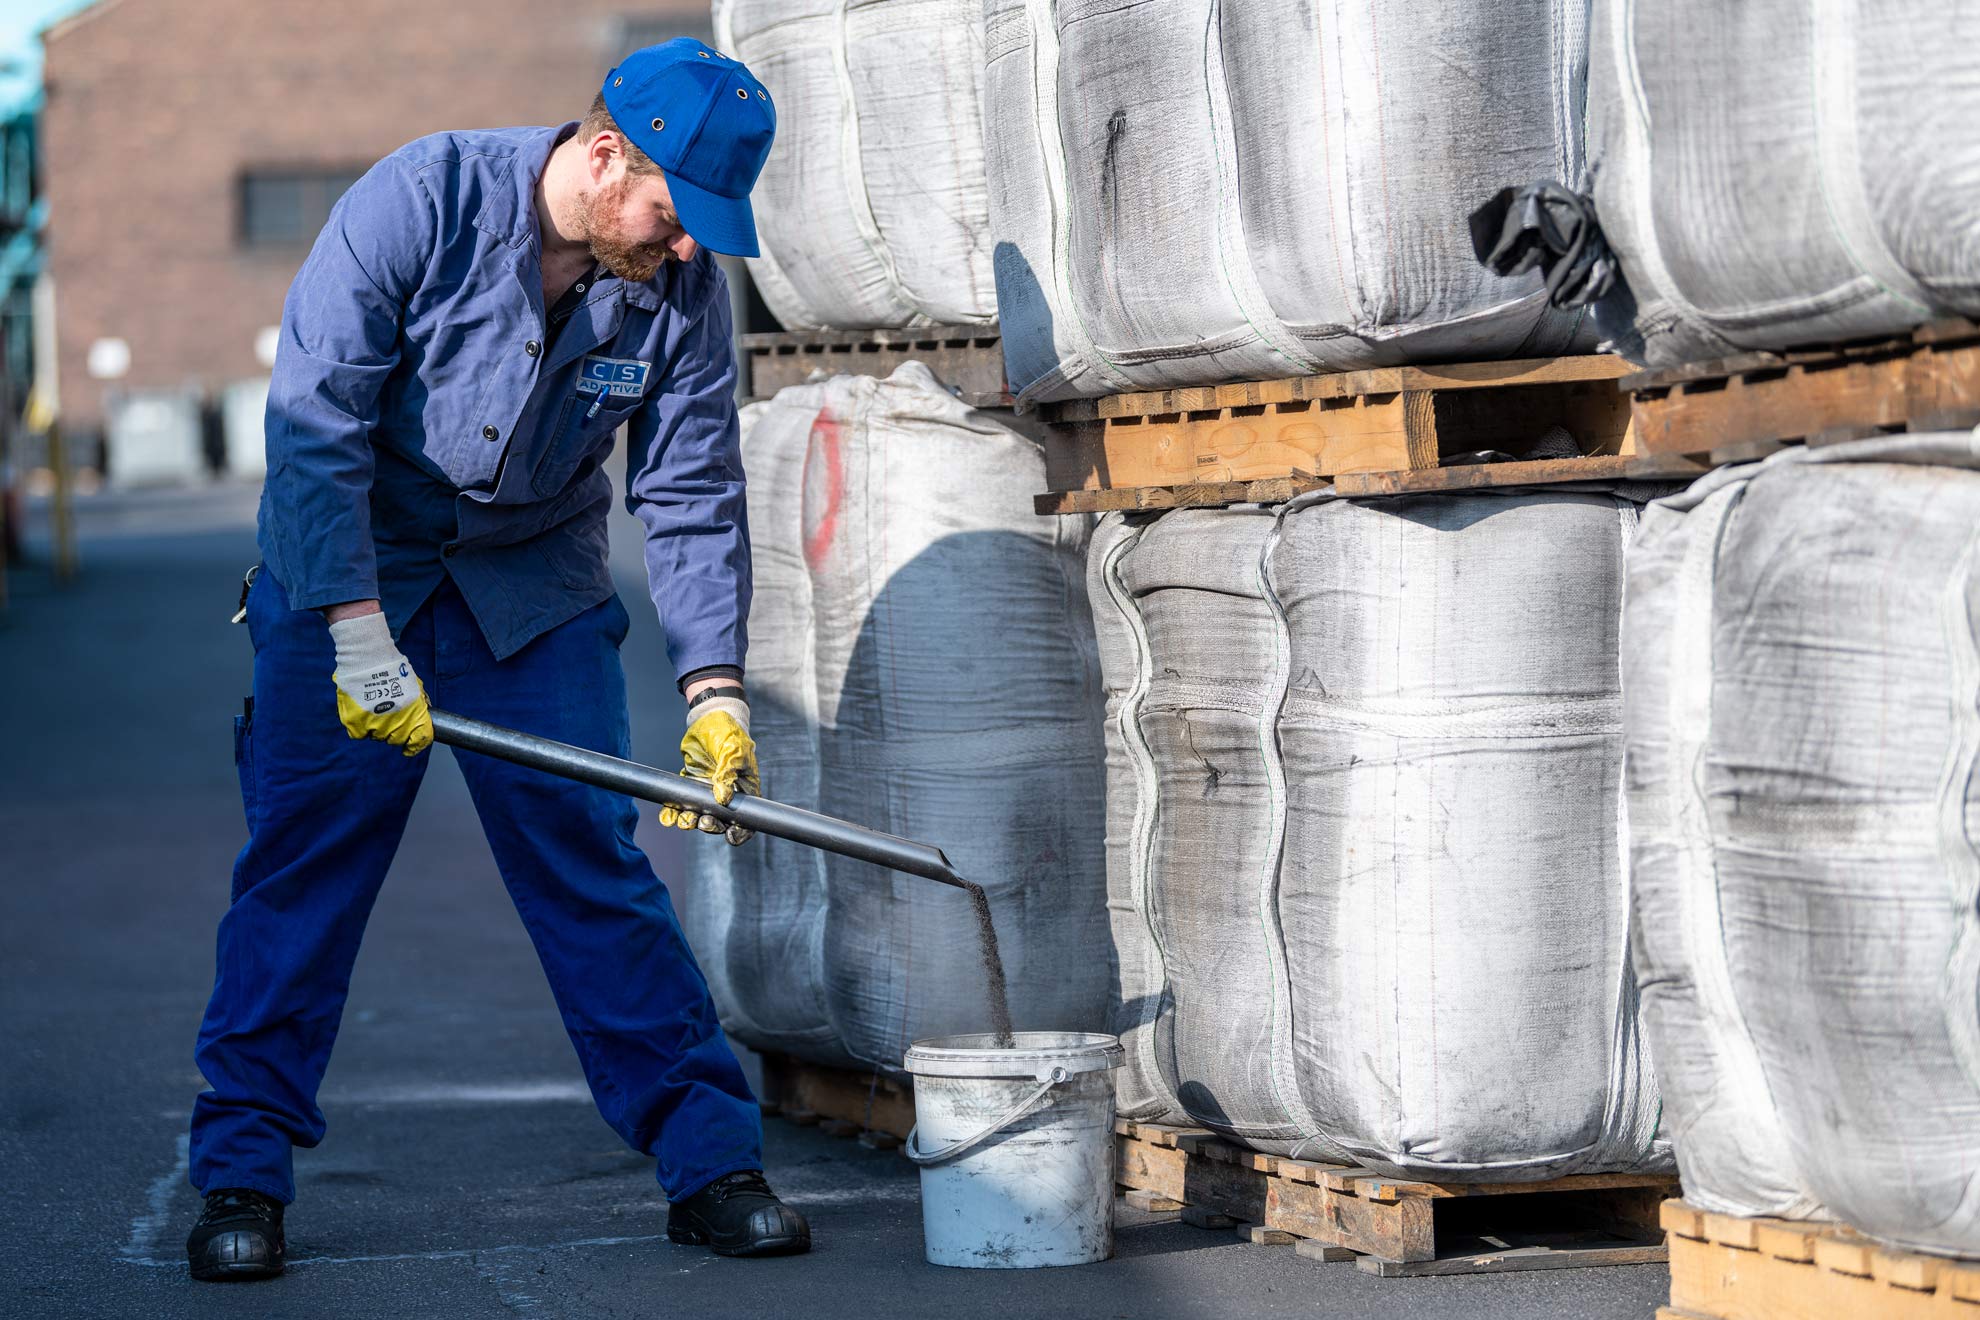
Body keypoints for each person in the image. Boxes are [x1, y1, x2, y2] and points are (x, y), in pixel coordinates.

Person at [184, 39, 808, 1281]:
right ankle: (241, 1176)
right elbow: (316, 434)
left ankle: (708, 1161)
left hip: (533, 594)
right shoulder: (418, 203)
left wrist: (715, 685)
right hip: (357, 573)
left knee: (592, 863)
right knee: (303, 874)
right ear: (605, 150)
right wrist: (357, 639)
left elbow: (687, 488)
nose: (685, 247)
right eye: (673, 213)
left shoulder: (676, 286)